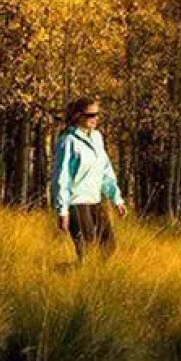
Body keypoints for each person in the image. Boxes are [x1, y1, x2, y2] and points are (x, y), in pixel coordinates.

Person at [51, 96, 127, 260]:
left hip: (96, 200)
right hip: (77, 201)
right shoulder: (68, 141)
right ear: (79, 116)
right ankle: (82, 280)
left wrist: (117, 199)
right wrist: (62, 210)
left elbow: (105, 170)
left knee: (109, 246)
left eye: (97, 114)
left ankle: (99, 280)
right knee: (87, 248)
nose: (95, 118)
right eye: (91, 115)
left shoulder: (97, 137)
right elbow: (61, 177)